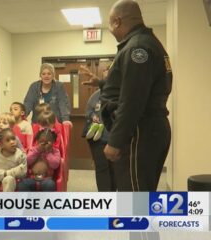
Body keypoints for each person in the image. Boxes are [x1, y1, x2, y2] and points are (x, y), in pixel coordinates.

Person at [85, 0, 172, 191]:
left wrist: (115, 141)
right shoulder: (145, 43)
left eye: (109, 24)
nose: (110, 29)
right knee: (140, 194)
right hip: (147, 130)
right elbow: (135, 86)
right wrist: (102, 83)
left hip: (139, 133)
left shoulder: (137, 48)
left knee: (133, 198)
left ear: (117, 21)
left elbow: (133, 99)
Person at [83, 89, 116, 191]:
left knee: (114, 169)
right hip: (98, 138)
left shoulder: (120, 92)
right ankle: (104, 198)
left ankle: (113, 196)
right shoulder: (96, 95)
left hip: (115, 139)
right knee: (101, 168)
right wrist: (93, 116)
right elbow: (89, 111)